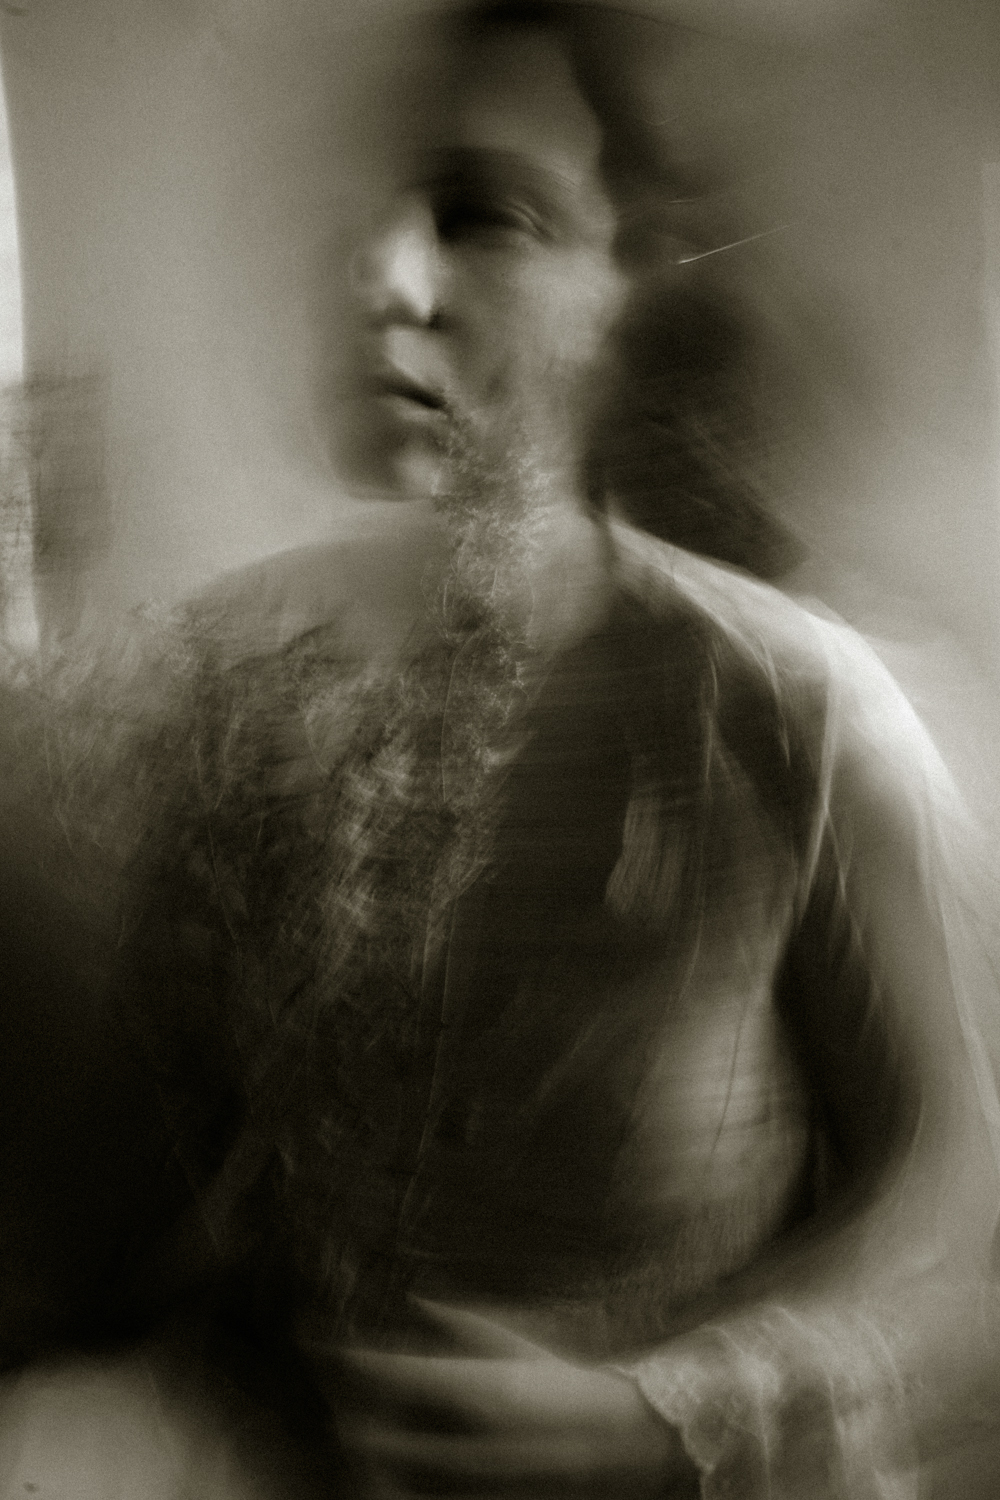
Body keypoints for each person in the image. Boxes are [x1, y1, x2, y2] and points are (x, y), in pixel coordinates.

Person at [2, 3, 999, 1497]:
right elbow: (146, 1220)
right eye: (355, 219)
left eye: (485, 216)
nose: (389, 284)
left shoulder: (793, 713)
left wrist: (668, 1418)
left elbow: (952, 1219)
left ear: (631, 274)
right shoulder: (221, 699)